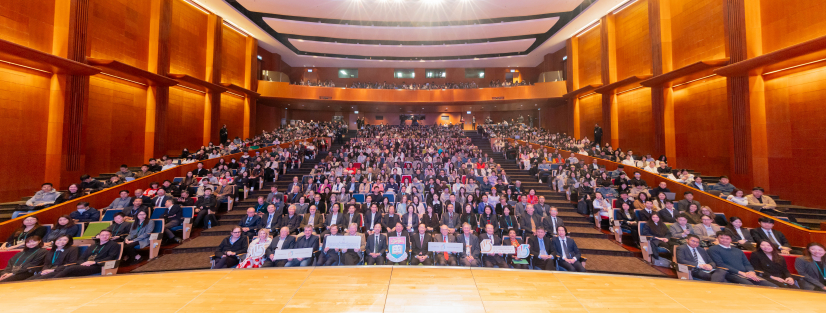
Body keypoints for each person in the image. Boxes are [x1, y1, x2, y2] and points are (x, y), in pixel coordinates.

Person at [707, 232, 774, 286]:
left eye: (727, 238)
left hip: (746, 274)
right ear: (717, 238)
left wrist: (751, 272)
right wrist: (741, 273)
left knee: (771, 286)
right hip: (730, 273)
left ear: (731, 240)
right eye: (721, 238)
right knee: (750, 286)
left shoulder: (738, 250)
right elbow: (720, 264)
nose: (724, 240)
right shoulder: (713, 249)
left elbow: (747, 264)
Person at [53, 230, 120, 278]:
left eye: (107, 235)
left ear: (110, 236)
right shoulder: (93, 245)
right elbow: (82, 257)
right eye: (102, 235)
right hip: (85, 265)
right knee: (62, 267)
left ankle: (52, 281)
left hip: (98, 266)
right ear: (99, 236)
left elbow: (111, 257)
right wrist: (82, 263)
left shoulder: (113, 245)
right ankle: (43, 279)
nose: (104, 236)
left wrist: (94, 262)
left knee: (70, 269)